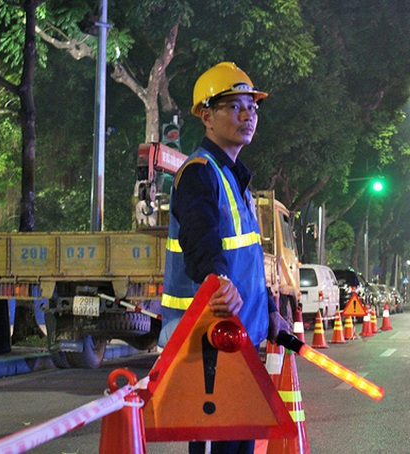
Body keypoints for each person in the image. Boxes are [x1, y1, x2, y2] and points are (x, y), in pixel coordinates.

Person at [159, 62, 291, 454]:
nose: (248, 115)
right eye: (235, 106)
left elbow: (247, 258)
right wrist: (217, 280)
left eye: (252, 107)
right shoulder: (199, 172)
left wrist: (269, 310)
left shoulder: (236, 178)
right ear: (206, 115)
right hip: (210, 342)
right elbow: (201, 238)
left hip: (240, 341)